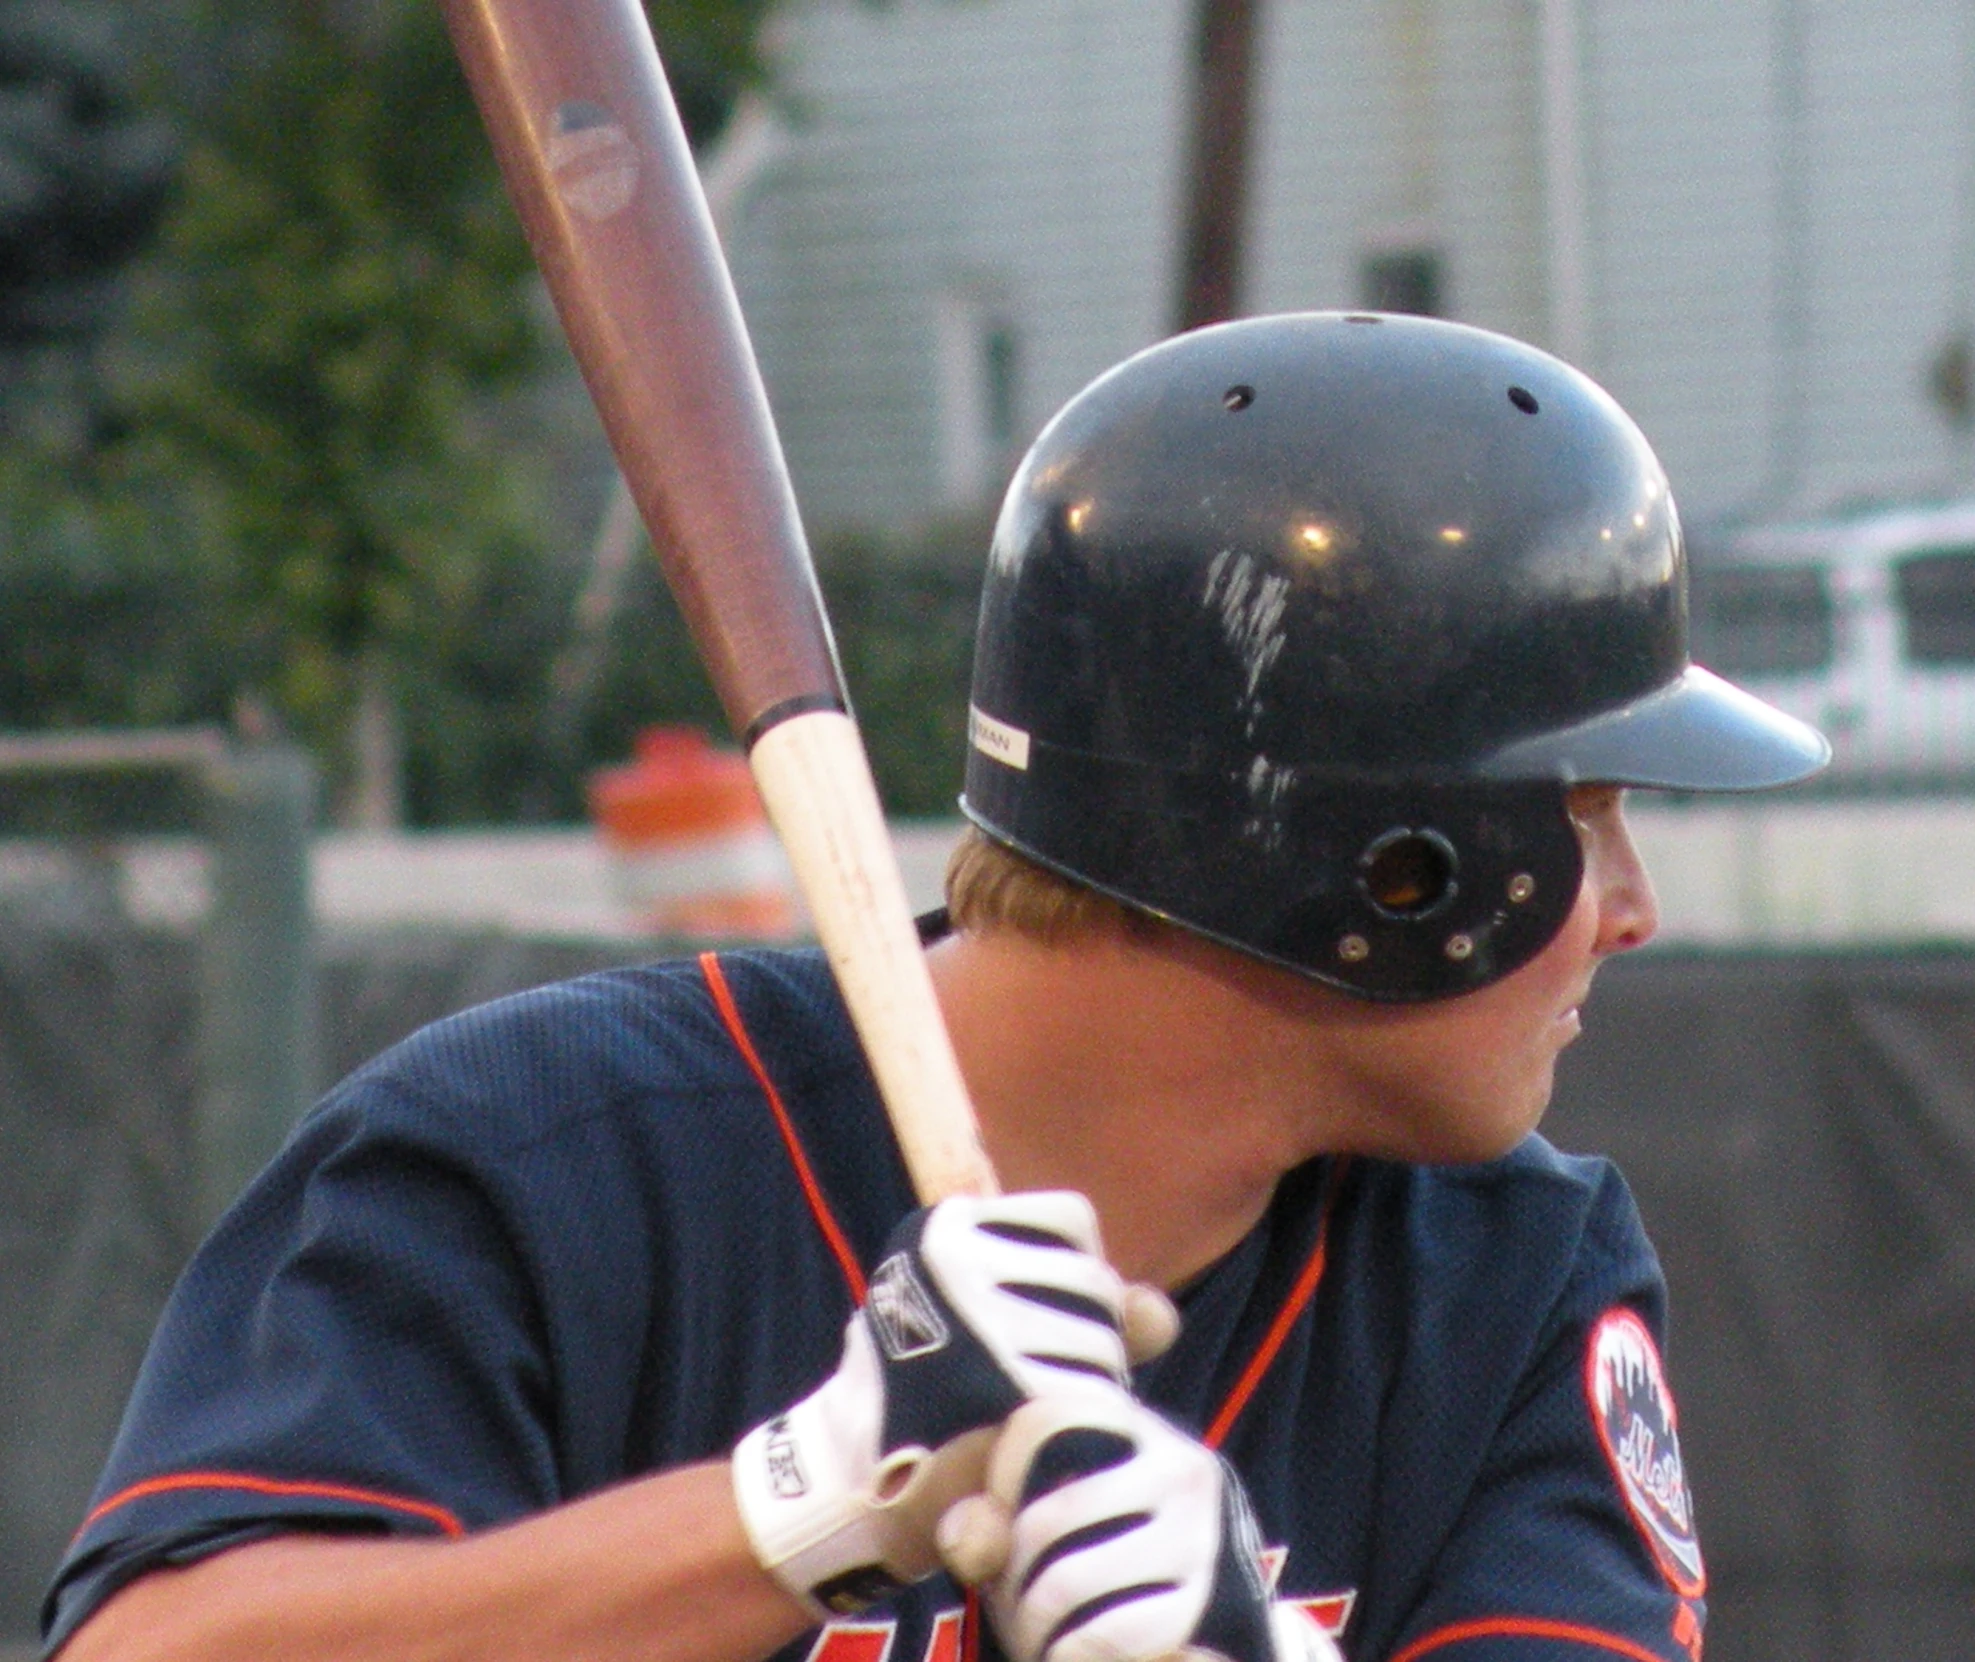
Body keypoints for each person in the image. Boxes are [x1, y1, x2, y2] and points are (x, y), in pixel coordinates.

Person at [43, 312, 1827, 1662]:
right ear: (1387, 868)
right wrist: (788, 1512)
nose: (1632, 906)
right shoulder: (552, 1153)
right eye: (1583, 818)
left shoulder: (1510, 1282)